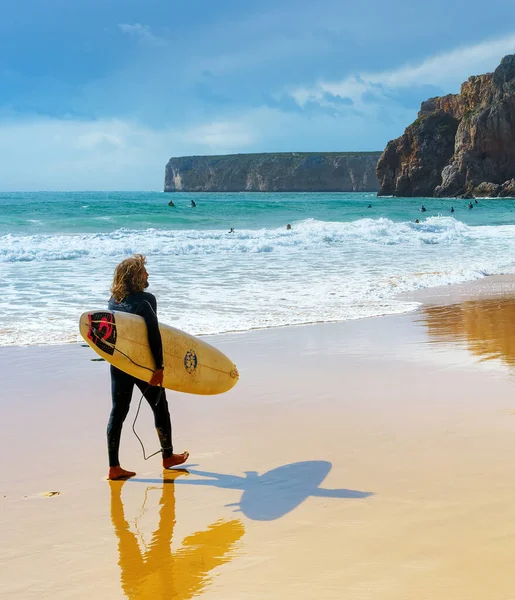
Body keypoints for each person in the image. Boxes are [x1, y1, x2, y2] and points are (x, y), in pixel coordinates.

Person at [107, 254, 189, 480]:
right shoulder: (146, 301)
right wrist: (159, 367)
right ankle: (168, 456)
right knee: (160, 406)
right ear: (135, 276)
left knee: (118, 412)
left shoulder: (113, 301)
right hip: (143, 366)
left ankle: (114, 467)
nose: (147, 274)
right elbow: (153, 335)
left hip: (120, 364)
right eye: (144, 270)